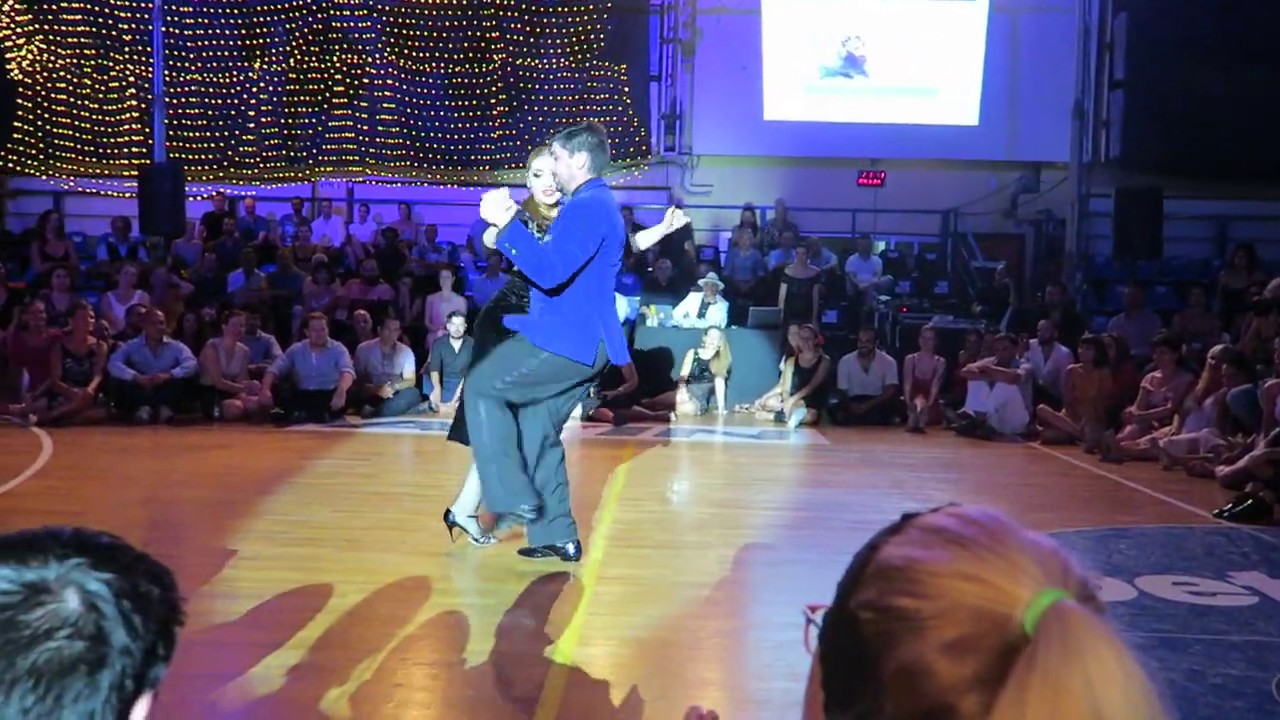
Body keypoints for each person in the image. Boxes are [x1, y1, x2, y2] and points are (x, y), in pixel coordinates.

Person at [442, 142, 688, 549]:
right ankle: (473, 509)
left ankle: (468, 509)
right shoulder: (523, 216)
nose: (547, 182)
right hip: (512, 321)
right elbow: (490, 238)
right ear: (526, 181)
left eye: (551, 173)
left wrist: (661, 229)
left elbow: (623, 247)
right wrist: (497, 228)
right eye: (537, 175)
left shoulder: (578, 211)